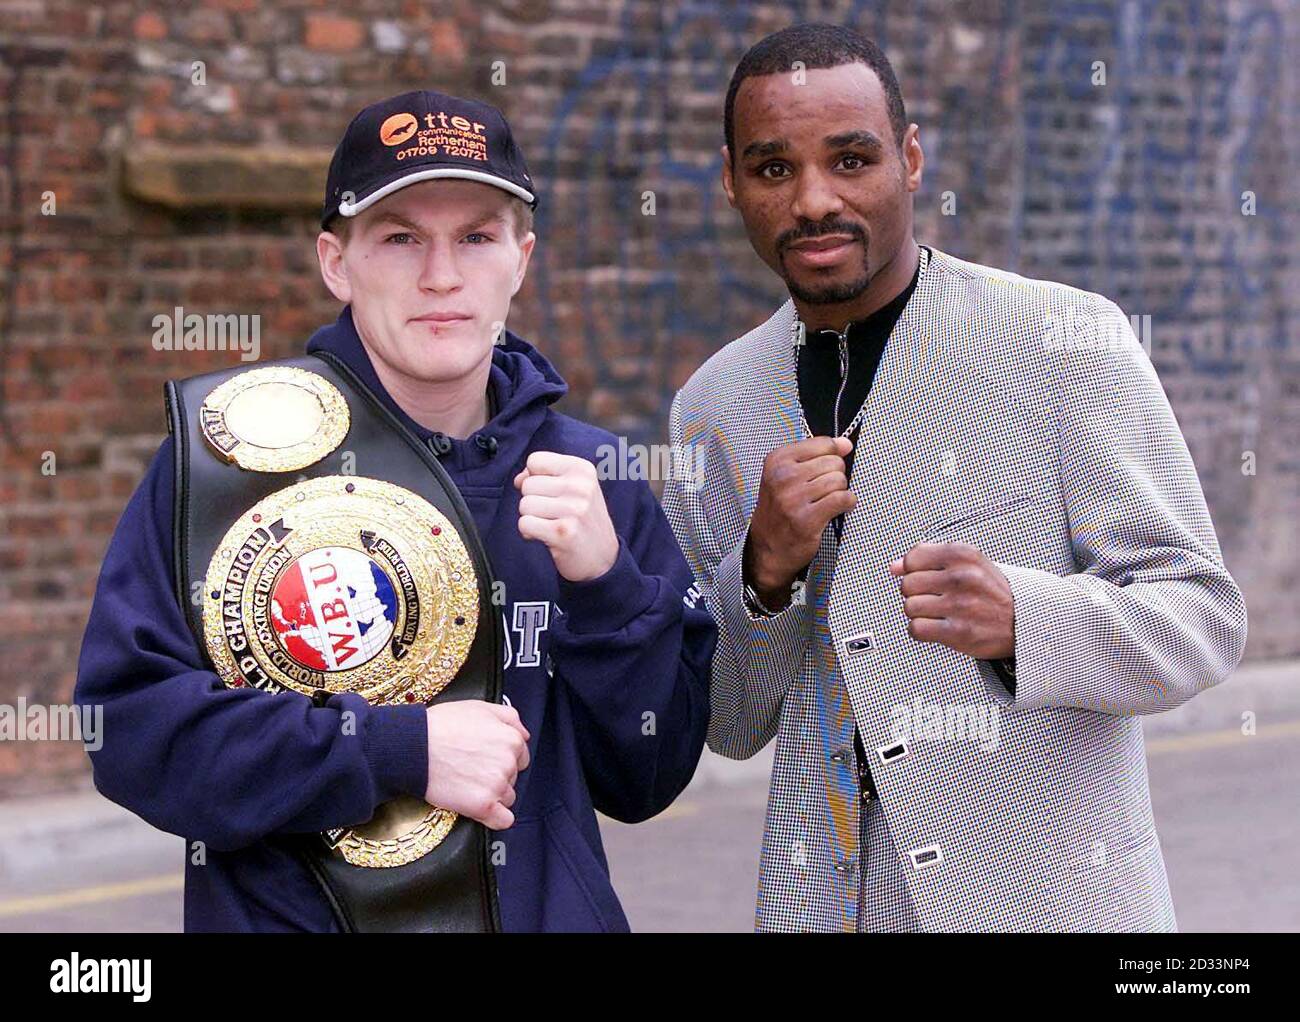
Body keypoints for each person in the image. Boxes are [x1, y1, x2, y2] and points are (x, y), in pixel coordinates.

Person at [75, 89, 715, 932]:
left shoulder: (593, 478)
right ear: (336, 262)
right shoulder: (225, 462)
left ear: (521, 259)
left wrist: (609, 593)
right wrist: (397, 751)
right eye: (401, 237)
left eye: (476, 237)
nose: (442, 276)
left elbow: (648, 777)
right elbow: (131, 733)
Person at [663, 23, 1247, 932]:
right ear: (731, 181)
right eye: (774, 169)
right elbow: (730, 722)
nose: (814, 200)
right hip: (823, 907)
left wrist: (1027, 619)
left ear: (911, 160)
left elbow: (1202, 620)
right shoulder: (713, 404)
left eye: (851, 159)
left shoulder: (1063, 340)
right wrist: (763, 572)